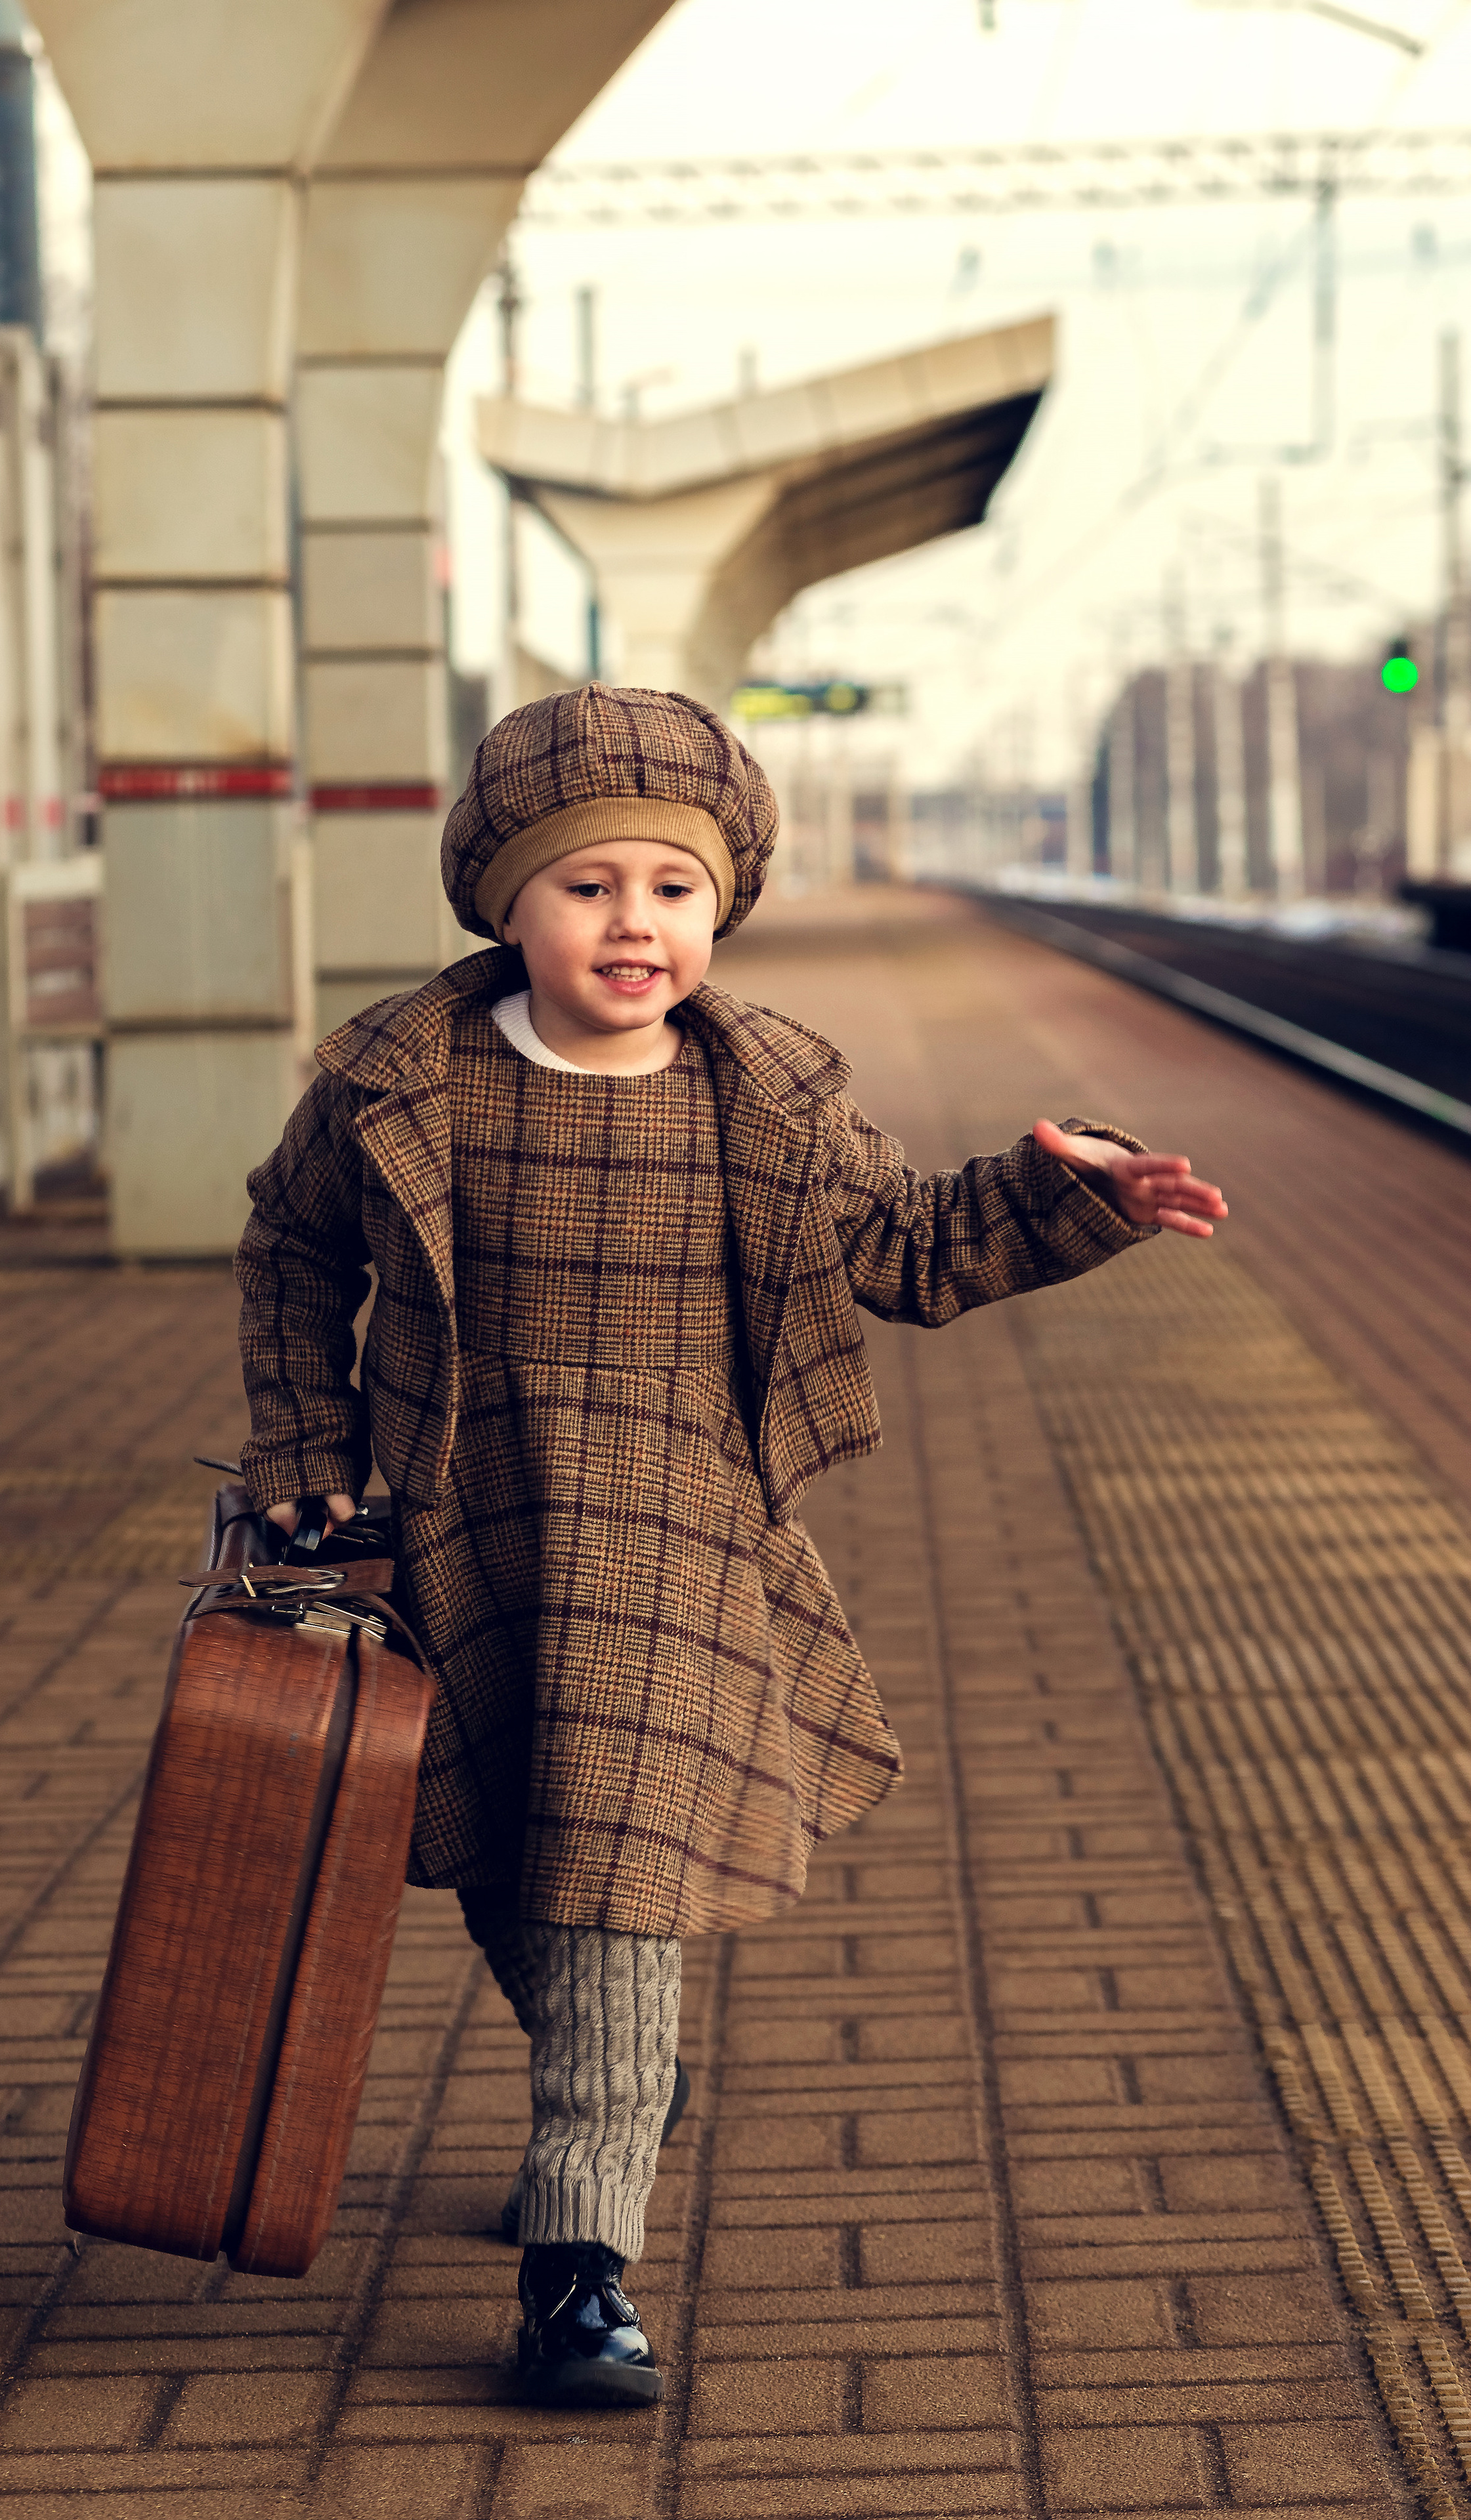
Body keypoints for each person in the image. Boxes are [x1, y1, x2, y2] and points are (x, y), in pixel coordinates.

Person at [234, 682, 1226, 2408]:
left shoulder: (765, 1091)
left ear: (725, 903)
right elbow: (290, 1250)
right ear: (504, 901)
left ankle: (577, 2272)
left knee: (617, 1893)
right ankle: (602, 2074)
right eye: (591, 886)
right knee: (496, 1857)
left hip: (677, 1553)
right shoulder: (401, 1082)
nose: (637, 924)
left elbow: (903, 1251)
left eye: (675, 890)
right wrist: (311, 1453)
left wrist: (1063, 1194)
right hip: (461, 1537)